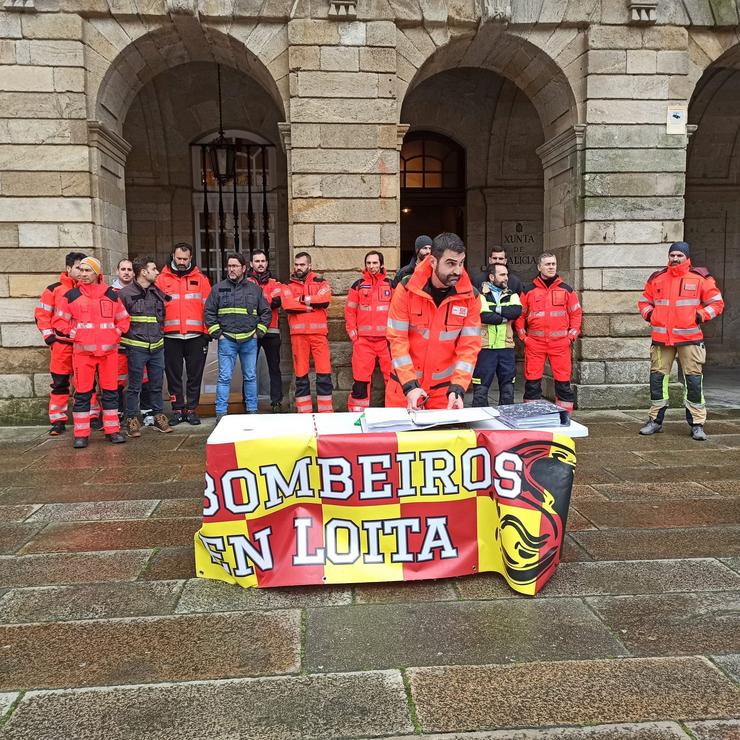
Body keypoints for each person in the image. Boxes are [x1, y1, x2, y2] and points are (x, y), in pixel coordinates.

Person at [637, 241, 725, 441]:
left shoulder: (700, 279)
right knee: (657, 380)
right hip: (661, 339)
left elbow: (717, 303)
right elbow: (644, 301)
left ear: (687, 257)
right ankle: (655, 421)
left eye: (679, 255)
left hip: (690, 338)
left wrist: (700, 316)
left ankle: (697, 424)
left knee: (693, 381)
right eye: (672, 255)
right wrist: (650, 315)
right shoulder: (657, 279)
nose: (675, 258)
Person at [386, 232, 481, 410]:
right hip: (403, 388)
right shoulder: (406, 289)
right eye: (451, 264)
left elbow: (469, 347)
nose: (458, 271)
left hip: (444, 394)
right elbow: (397, 340)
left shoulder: (471, 297)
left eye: (461, 263)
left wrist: (458, 388)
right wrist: (410, 386)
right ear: (433, 262)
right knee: (403, 438)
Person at [53, 257, 129, 448]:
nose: (83, 274)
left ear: (97, 273)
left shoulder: (111, 295)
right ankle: (81, 434)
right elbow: (59, 321)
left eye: (87, 271)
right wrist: (74, 333)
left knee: (111, 393)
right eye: (81, 270)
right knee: (82, 394)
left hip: (108, 354)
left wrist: (115, 334)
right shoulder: (71, 295)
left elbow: (124, 319)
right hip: (83, 354)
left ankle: (113, 430)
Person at [204, 253, 271, 419]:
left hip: (249, 339)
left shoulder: (255, 290)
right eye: (229, 266)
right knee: (224, 377)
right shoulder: (218, 289)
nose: (231, 269)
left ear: (243, 268)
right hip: (227, 339)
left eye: (235, 266)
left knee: (250, 376)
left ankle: (252, 410)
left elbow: (266, 312)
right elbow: (208, 312)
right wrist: (218, 334)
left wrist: (259, 333)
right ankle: (221, 413)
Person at [514, 252, 582, 415]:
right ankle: (532, 417)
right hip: (535, 344)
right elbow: (520, 316)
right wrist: (524, 338)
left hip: (560, 344)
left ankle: (565, 419)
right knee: (532, 383)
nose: (551, 267)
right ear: (539, 267)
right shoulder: (528, 290)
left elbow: (576, 314)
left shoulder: (567, 290)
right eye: (548, 264)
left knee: (563, 384)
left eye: (553, 264)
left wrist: (571, 337)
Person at [34, 251, 91, 435]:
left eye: (84, 268)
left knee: (87, 383)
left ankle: (91, 416)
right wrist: (50, 338)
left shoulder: (88, 288)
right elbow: (42, 315)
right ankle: (58, 420)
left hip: (83, 345)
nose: (82, 271)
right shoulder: (54, 289)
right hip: (61, 346)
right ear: (68, 269)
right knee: (60, 384)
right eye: (78, 268)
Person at [156, 242, 211, 426]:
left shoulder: (201, 279)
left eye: (185, 259)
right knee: (174, 375)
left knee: (195, 375)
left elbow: (208, 308)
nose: (181, 262)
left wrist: (206, 333)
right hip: (170, 336)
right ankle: (178, 409)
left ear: (191, 258)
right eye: (178, 258)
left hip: (196, 336)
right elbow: (156, 309)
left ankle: (192, 410)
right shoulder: (161, 280)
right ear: (173, 255)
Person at [118, 257, 172, 436]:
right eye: (154, 269)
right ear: (143, 272)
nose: (157, 272)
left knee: (156, 385)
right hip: (136, 348)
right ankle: (132, 419)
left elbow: (161, 318)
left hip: (157, 347)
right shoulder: (125, 294)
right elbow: (120, 321)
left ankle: (158, 416)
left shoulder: (157, 292)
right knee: (134, 386)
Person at [281, 251, 334, 413]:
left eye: (302, 265)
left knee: (324, 373)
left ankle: (326, 412)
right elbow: (288, 305)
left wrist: (303, 300)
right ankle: (304, 412)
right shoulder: (286, 284)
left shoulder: (321, 282)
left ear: (309, 265)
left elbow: (324, 300)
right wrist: (312, 304)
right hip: (298, 337)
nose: (298, 268)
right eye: (296, 265)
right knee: (301, 376)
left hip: (318, 335)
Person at [345, 250, 393, 412]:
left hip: (386, 342)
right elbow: (350, 312)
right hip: (363, 342)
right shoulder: (357, 285)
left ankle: (395, 412)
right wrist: (354, 336)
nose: (372, 266)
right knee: (361, 380)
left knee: (393, 378)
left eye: (375, 263)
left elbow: (398, 312)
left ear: (381, 264)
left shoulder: (391, 285)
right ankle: (358, 415)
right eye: (369, 263)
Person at [471, 263, 522, 407]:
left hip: (506, 347)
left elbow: (516, 312)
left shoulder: (512, 295)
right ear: (492, 277)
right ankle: (480, 423)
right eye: (502, 275)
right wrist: (505, 317)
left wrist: (495, 309)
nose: (506, 278)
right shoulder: (480, 295)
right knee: (481, 390)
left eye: (507, 274)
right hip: (485, 348)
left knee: (508, 390)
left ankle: (506, 424)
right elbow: (485, 316)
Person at [112, 258, 153, 424]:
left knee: (144, 380)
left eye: (129, 269)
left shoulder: (141, 290)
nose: (127, 272)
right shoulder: (110, 292)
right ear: (117, 271)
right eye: (123, 269)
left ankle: (146, 411)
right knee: (118, 381)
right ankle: (119, 413)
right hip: (119, 345)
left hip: (138, 343)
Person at [247, 249, 284, 413]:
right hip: (251, 332)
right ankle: (248, 402)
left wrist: (258, 300)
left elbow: (277, 302)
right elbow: (245, 303)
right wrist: (265, 301)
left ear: (267, 263)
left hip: (272, 331)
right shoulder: (246, 282)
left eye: (263, 261)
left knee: (274, 369)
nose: (260, 264)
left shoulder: (275, 283)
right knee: (249, 370)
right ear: (251, 264)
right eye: (257, 261)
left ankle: (276, 401)